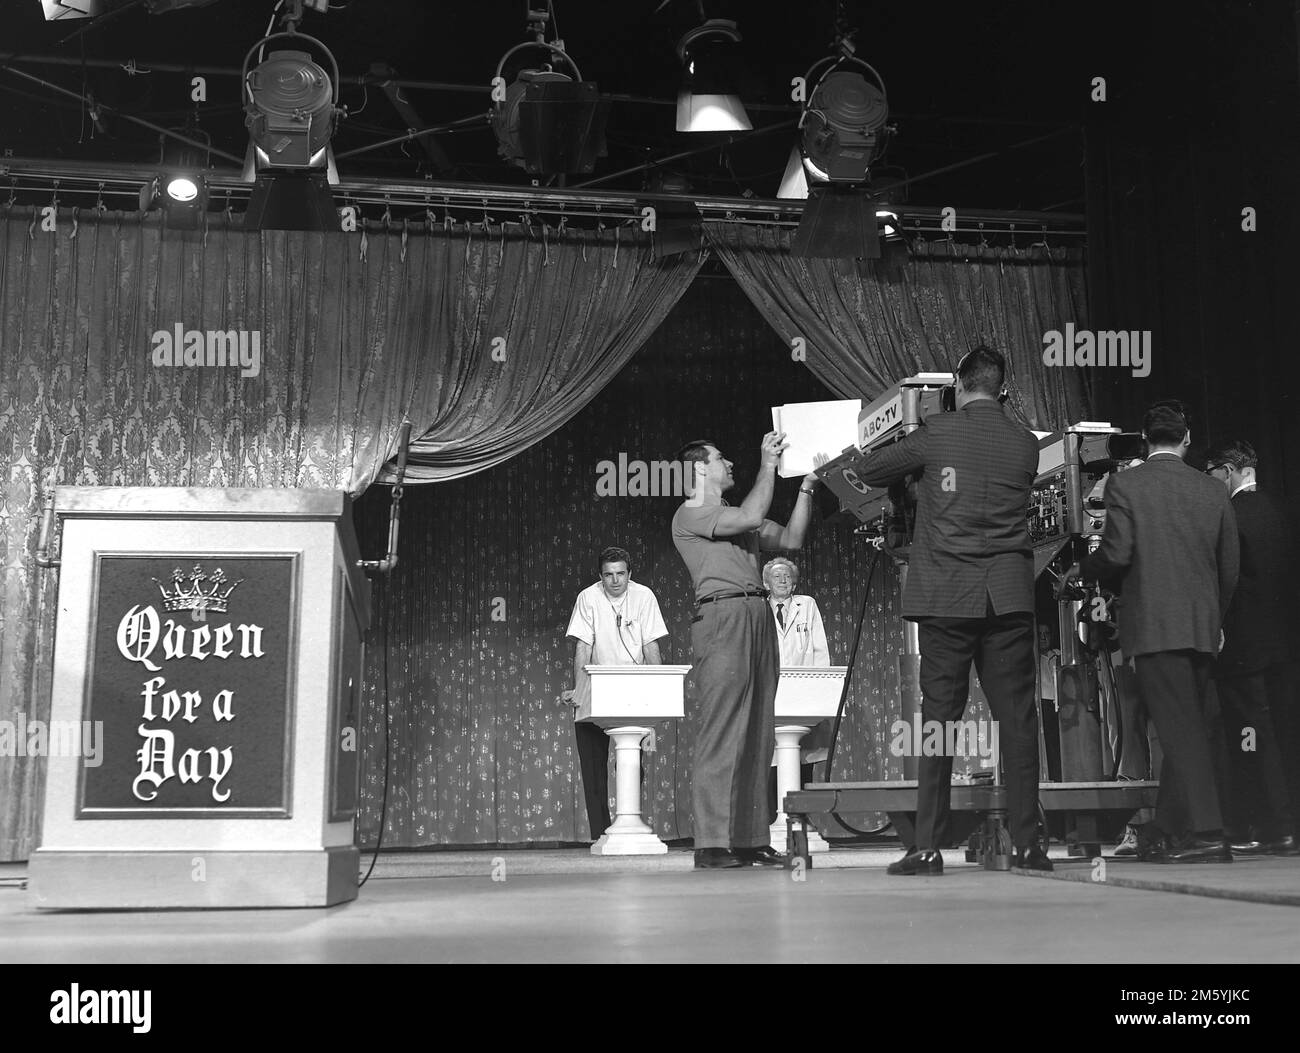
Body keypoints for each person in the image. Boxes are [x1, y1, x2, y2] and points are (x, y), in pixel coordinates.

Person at [855, 346, 1050, 875]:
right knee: (1018, 719)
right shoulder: (1025, 443)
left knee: (939, 720)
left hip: (948, 596)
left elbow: (871, 470)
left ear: (959, 385)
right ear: (1002, 388)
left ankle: (927, 846)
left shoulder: (939, 431)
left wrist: (916, 468)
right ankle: (1030, 846)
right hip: (1006, 595)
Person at [1073, 401, 1239, 863]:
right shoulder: (1212, 491)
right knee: (1192, 730)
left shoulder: (1127, 484)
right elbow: (1230, 567)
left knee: (1181, 736)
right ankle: (1168, 830)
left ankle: (1208, 834)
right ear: (1187, 439)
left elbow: (1118, 553)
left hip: (1156, 629)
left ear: (1145, 441)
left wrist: (1081, 569)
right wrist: (1216, 620)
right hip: (1202, 629)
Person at [672, 434, 821, 869]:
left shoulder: (736, 516)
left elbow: (791, 539)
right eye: (721, 458)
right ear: (699, 469)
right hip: (724, 616)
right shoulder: (693, 510)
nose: (730, 462)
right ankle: (712, 843)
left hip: (757, 614)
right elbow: (754, 512)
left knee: (758, 730)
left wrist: (809, 485)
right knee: (723, 730)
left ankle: (750, 838)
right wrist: (768, 463)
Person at [1205, 439, 1298, 855]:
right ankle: (1288, 824)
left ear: (1227, 471)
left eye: (1210, 473)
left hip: (1243, 652)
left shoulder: (1229, 514)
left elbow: (1223, 579)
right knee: (1283, 734)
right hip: (1285, 649)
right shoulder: (1283, 509)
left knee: (1250, 739)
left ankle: (1269, 826)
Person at [564, 546, 669, 841]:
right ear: (600, 576)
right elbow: (583, 646)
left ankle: (630, 822)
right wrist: (580, 690)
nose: (615, 581)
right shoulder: (588, 597)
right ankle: (601, 834)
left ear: (629, 574)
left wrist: (657, 695)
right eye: (608, 575)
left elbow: (651, 646)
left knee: (633, 761)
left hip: (633, 686)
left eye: (620, 574)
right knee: (593, 766)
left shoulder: (644, 596)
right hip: (597, 685)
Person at [763, 557, 831, 819]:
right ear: (766, 583)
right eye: (777, 576)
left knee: (802, 758)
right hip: (771, 690)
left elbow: (819, 648)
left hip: (802, 690)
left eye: (787, 576)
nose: (782, 580)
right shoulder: (759, 608)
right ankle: (772, 822)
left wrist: (820, 689)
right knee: (770, 761)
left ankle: (800, 820)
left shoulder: (807, 605)